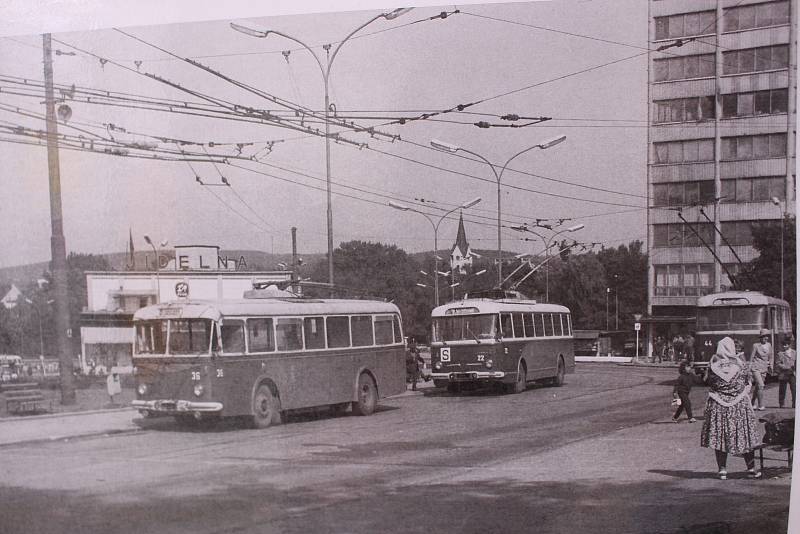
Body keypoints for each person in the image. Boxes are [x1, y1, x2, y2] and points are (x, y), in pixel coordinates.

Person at [701, 337, 763, 480]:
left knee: (720, 437)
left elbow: (709, 382)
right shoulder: (740, 366)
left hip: (719, 406)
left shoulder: (713, 366)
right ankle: (751, 468)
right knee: (745, 435)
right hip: (738, 405)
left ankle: (722, 470)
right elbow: (748, 382)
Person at [749, 328, 773, 410]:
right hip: (756, 368)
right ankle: (760, 405)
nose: (766, 338)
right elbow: (751, 357)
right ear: (760, 337)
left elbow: (771, 357)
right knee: (761, 385)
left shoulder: (769, 345)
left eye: (767, 336)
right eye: (764, 336)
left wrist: (771, 366)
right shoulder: (755, 345)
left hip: (764, 368)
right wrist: (749, 368)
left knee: (758, 387)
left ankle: (752, 401)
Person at [774, 336, 796, 409]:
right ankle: (781, 403)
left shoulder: (794, 352)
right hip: (783, 374)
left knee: (794, 389)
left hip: (792, 373)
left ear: (789, 345)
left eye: (785, 345)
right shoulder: (780, 354)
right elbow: (777, 363)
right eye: (783, 345)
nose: (784, 346)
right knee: (782, 389)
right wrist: (785, 367)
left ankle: (794, 403)